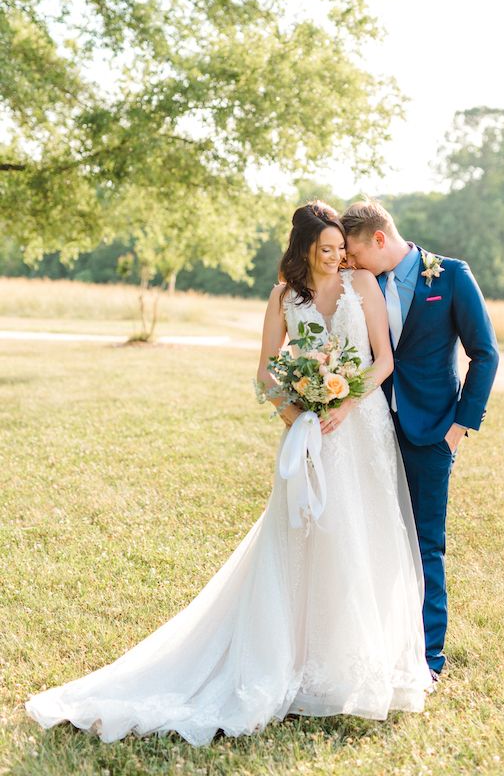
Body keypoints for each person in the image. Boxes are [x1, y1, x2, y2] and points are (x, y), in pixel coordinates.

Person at [25, 201, 432, 747]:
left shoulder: (364, 286)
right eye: (326, 250)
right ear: (305, 250)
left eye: (341, 249)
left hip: (361, 427)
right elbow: (265, 372)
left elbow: (382, 360)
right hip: (309, 433)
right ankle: (288, 657)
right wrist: (298, 416)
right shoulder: (285, 297)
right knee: (305, 535)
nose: (337, 258)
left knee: (361, 536)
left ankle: (349, 665)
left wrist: (345, 404)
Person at [341, 199, 499, 680]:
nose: (349, 261)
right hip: (371, 432)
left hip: (432, 433)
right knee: (375, 540)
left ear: (379, 240)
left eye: (353, 252)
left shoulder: (450, 275)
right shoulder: (360, 284)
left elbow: (485, 354)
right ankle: (378, 645)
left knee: (426, 545)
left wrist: (458, 428)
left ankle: (428, 659)